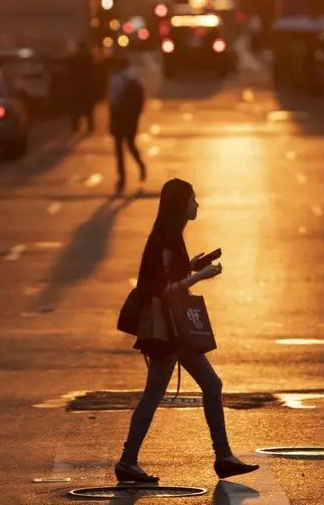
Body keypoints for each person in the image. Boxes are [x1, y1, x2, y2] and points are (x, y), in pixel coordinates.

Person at [116, 179, 259, 483]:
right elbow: (165, 290)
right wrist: (201, 276)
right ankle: (219, 457)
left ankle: (220, 457)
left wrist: (192, 265)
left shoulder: (169, 237)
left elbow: (166, 276)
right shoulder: (167, 240)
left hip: (171, 330)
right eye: (193, 199)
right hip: (168, 330)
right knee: (191, 388)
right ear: (181, 204)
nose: (197, 205)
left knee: (185, 389)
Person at [108, 57, 147, 195]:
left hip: (119, 117)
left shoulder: (115, 80)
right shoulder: (133, 79)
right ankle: (141, 166)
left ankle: (122, 178)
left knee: (119, 149)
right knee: (130, 144)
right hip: (130, 119)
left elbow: (112, 101)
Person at [66, 41, 96, 132]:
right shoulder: (89, 59)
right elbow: (94, 74)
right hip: (86, 87)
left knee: (76, 109)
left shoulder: (74, 59)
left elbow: (70, 73)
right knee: (88, 109)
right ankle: (90, 126)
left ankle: (76, 127)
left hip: (77, 87)